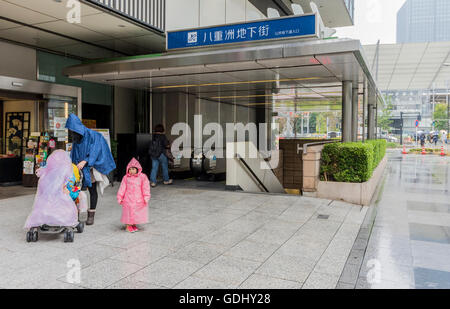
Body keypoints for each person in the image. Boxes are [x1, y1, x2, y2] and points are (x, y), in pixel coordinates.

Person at [65, 114, 116, 225]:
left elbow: (96, 150)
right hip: (79, 169)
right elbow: (73, 153)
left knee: (92, 190)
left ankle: (91, 215)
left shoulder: (93, 135)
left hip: (90, 168)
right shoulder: (76, 138)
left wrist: (86, 161)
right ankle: (75, 215)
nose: (71, 132)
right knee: (76, 192)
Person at [24, 150, 78, 229]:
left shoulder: (47, 172)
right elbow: (70, 181)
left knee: (44, 207)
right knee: (64, 207)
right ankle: (60, 220)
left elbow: (40, 177)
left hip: (47, 198)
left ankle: (44, 219)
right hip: (59, 196)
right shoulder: (65, 171)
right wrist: (65, 187)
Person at [117, 158, 150, 233]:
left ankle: (133, 224)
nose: (131, 171)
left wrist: (146, 196)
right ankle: (128, 226)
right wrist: (120, 197)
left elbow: (145, 187)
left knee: (136, 212)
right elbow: (122, 188)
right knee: (129, 212)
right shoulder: (126, 178)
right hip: (128, 199)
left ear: (138, 169)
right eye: (130, 169)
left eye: (133, 169)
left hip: (138, 198)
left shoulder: (142, 177)